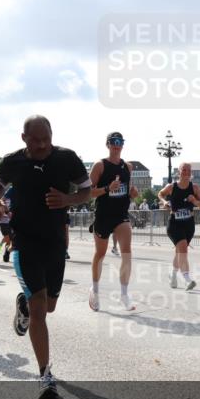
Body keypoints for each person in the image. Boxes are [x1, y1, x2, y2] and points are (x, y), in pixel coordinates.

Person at [0, 116, 91, 399]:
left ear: (52, 135)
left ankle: (23, 305)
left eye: (45, 139)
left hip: (55, 244)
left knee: (48, 307)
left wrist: (69, 200)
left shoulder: (67, 158)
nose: (41, 145)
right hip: (24, 242)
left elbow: (86, 190)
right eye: (35, 140)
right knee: (40, 308)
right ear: (23, 137)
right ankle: (45, 375)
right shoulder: (12, 161)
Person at [88, 131, 140, 312]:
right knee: (100, 254)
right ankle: (94, 290)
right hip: (103, 215)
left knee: (127, 252)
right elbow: (88, 192)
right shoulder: (99, 166)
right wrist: (106, 188)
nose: (117, 145)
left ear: (123, 145)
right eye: (113, 142)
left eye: (120, 142)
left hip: (121, 215)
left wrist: (132, 194)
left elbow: (127, 191)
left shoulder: (128, 167)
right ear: (108, 144)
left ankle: (124, 294)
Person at [157, 162, 200, 290]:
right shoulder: (172, 187)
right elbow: (160, 194)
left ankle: (172, 275)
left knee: (180, 251)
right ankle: (187, 279)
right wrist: (164, 202)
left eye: (189, 170)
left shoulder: (194, 188)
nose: (186, 172)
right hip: (174, 223)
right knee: (183, 249)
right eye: (184, 170)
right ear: (179, 172)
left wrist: (194, 201)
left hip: (189, 224)